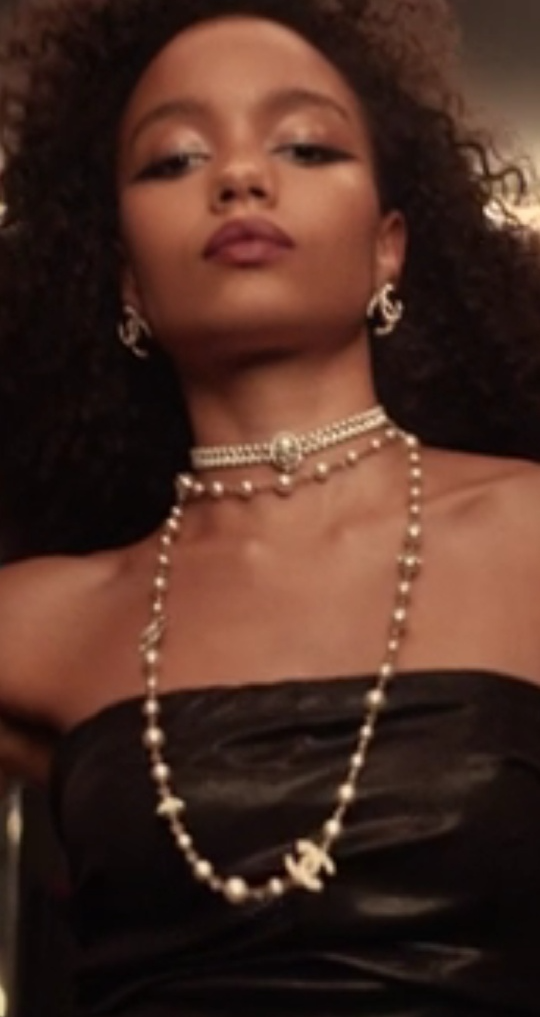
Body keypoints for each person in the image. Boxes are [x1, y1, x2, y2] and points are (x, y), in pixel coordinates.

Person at [0, 0, 540, 1013]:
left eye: (304, 145)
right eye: (174, 160)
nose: (240, 177)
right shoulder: (39, 626)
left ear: (389, 248)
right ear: (126, 280)